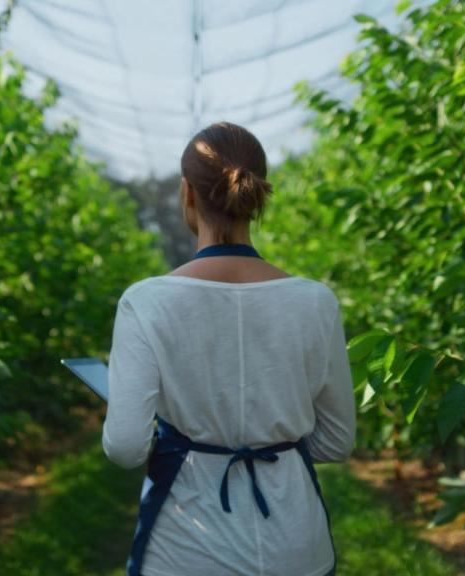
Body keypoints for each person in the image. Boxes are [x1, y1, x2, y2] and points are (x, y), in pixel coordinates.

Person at [103, 121, 356, 576]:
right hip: (295, 545)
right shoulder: (316, 301)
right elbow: (336, 442)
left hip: (185, 550)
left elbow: (125, 446)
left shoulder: (147, 301)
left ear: (188, 193)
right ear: (256, 194)